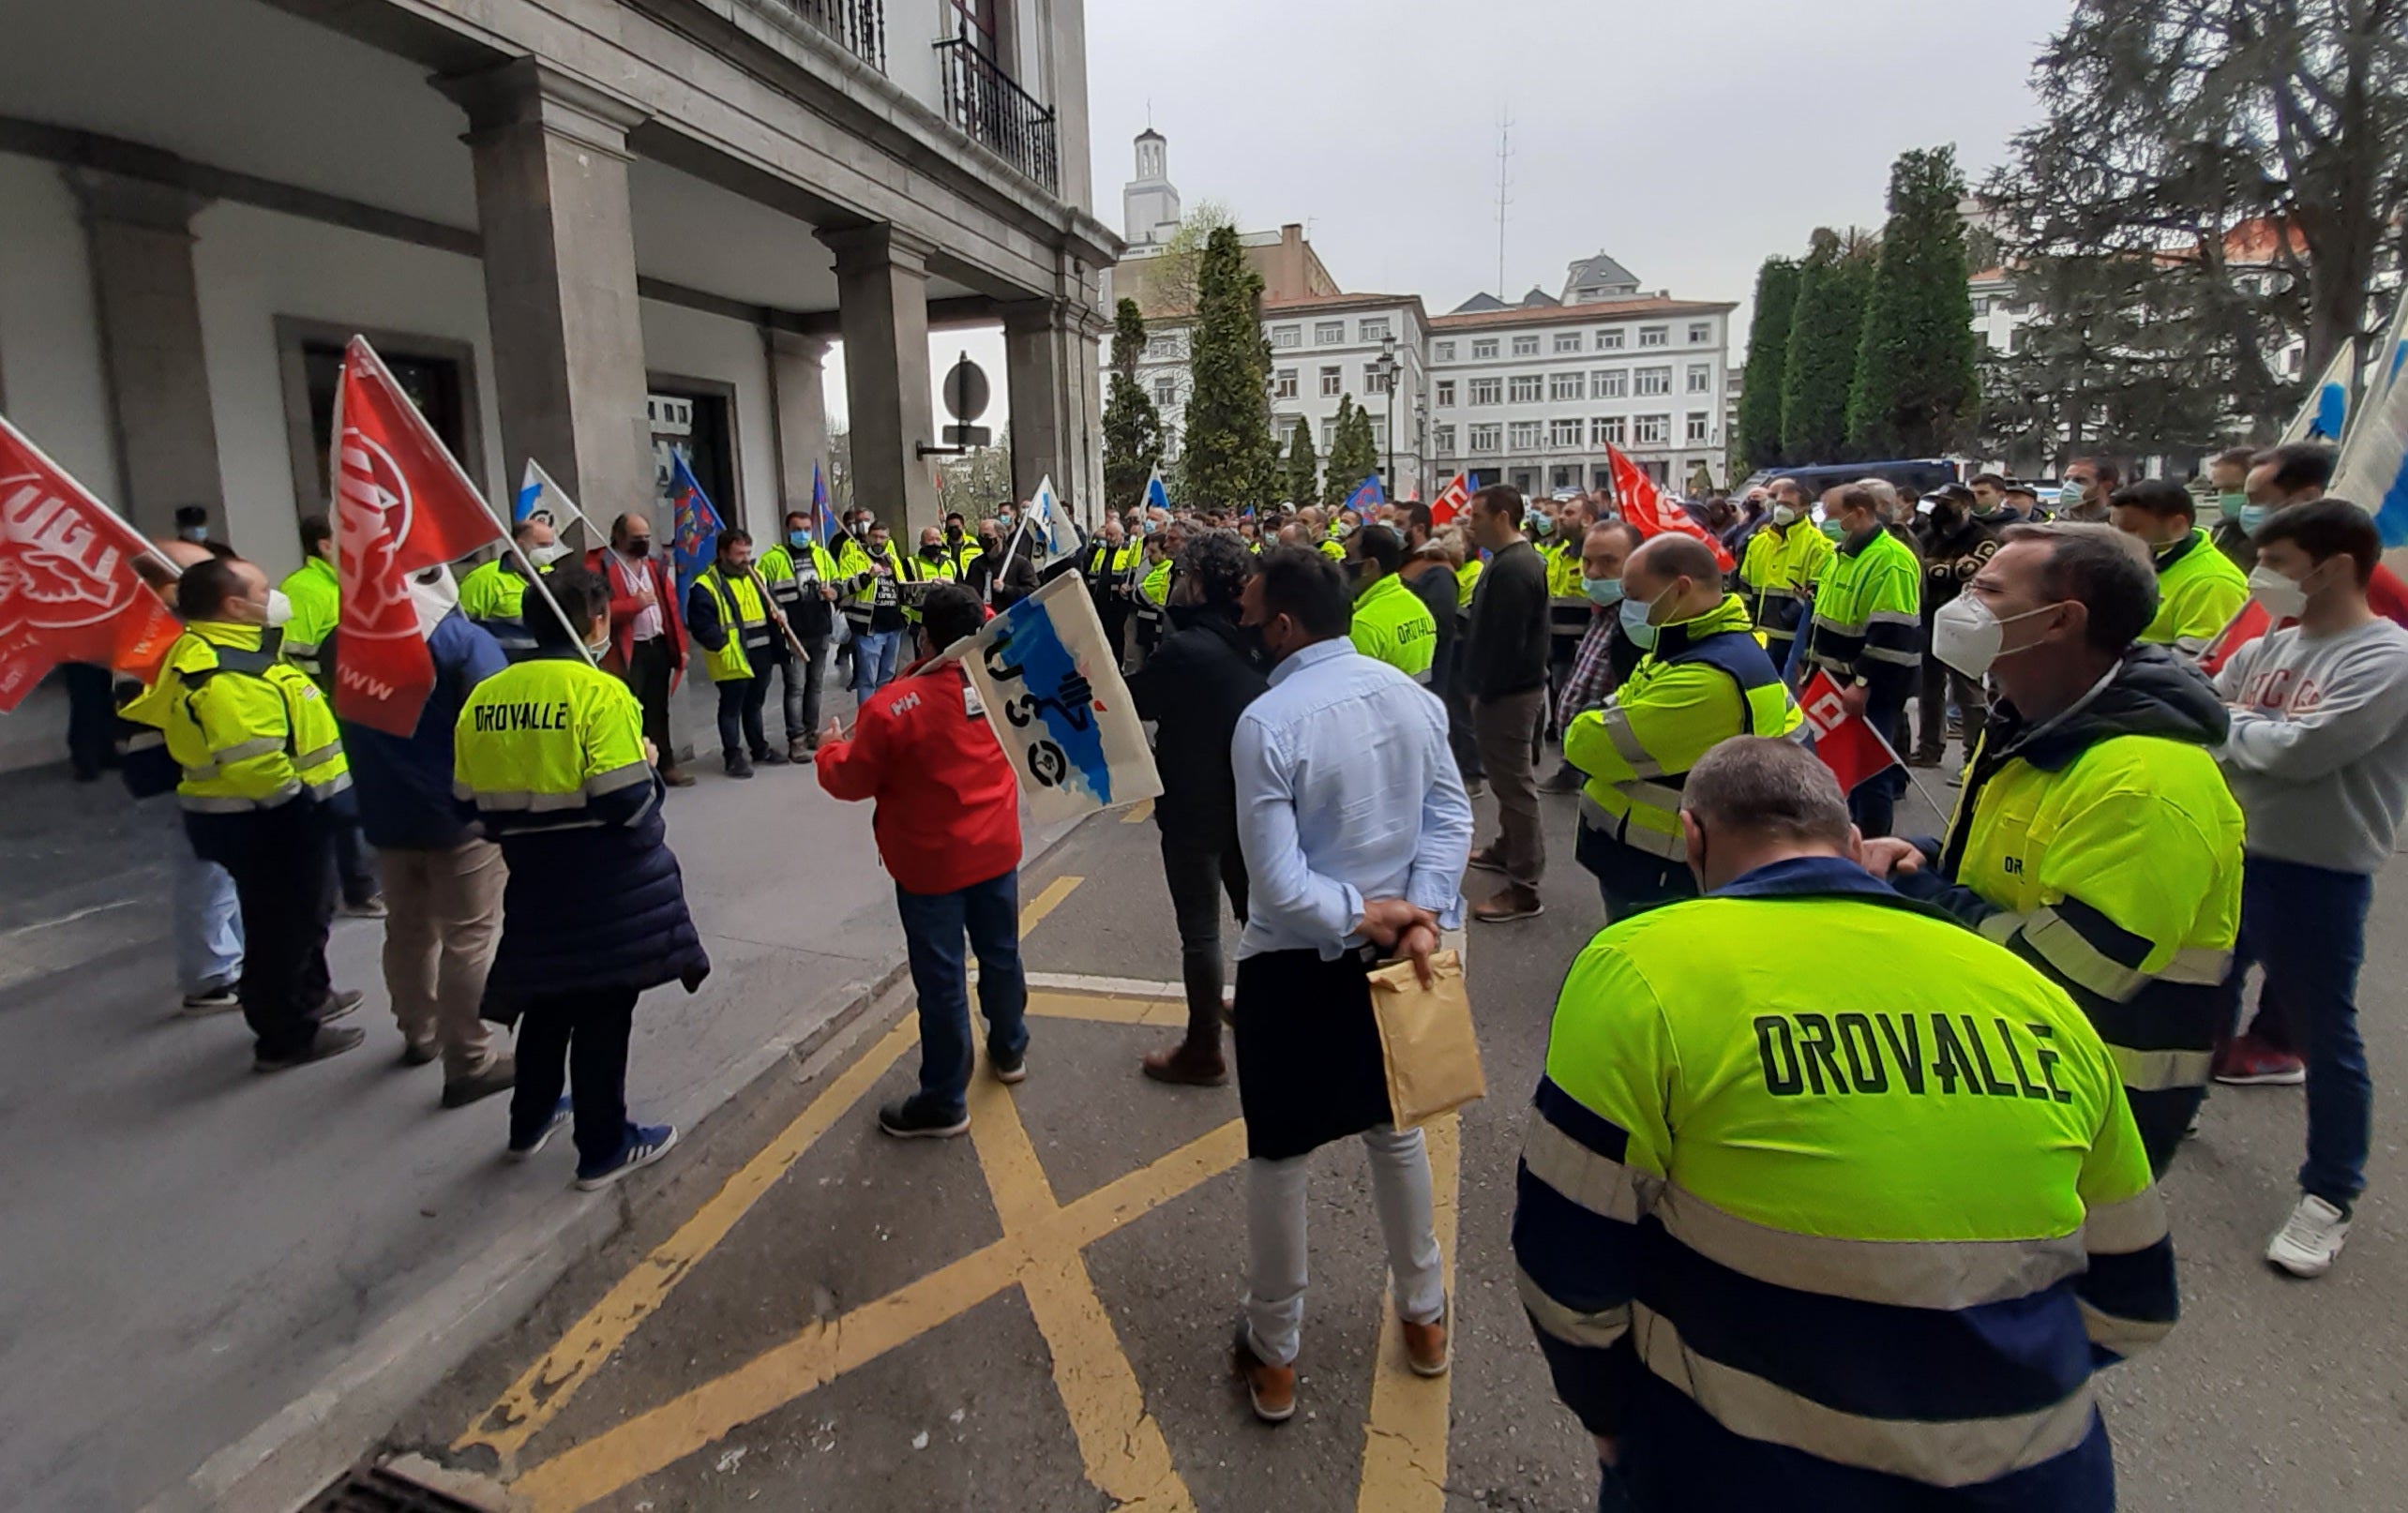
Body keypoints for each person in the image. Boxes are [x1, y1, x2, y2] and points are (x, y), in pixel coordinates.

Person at [1515, 736, 2175, 1513]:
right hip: (2042, 1482)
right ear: (1854, 843)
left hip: (1740, 1475)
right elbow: (2134, 1301)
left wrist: (1616, 1416)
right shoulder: (2030, 994)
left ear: (1693, 838)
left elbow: (1567, 1264)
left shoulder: (1644, 966)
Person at [1866, 524, 2243, 1173]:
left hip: (2091, 1100)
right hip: (2005, 1063)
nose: (1962, 603)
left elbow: (2066, 975)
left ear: (2060, 620)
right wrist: (1926, 854)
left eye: (1985, 589)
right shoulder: (2029, 722)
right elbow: (2003, 869)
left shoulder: (2146, 784)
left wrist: (1915, 890)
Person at [1227, 546, 1468, 1424]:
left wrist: (1372, 916)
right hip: (1398, 952)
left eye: (1252, 614)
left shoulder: (1268, 721)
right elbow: (1451, 814)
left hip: (1296, 965)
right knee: (1394, 1134)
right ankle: (1424, 1315)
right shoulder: (1413, 696)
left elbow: (1280, 887)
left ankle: (1276, 1351)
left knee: (1280, 1158)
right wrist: (1422, 913)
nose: (1247, 627)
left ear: (1285, 624)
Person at [456, 564, 706, 1188]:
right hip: (603, 879)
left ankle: (531, 1118)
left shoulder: (485, 697)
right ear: (597, 622)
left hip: (531, 871)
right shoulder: (601, 694)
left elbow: (466, 802)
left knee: (548, 995)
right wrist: (647, 764)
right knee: (602, 1007)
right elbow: (628, 804)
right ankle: (604, 1145)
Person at [2209, 501, 2408, 1275]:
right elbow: (2205, 708)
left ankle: (2329, 1195)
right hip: (2234, 850)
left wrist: (2232, 725)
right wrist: (2239, 725)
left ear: (2334, 568)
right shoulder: (2274, 643)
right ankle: (2176, 1114)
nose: (2265, 578)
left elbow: (2305, 752)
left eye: (2281, 563)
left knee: (2328, 1036)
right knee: (2207, 993)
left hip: (2319, 872)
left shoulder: (2384, 659)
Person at [128, 556, 364, 1071]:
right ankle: (285, 1037)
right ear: (234, 605)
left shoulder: (230, 651)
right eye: (262, 587)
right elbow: (255, 761)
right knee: (283, 927)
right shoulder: (223, 670)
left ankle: (310, 999)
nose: (272, 594)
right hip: (270, 822)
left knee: (302, 916)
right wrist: (297, 810)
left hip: (267, 819)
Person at [816, 583, 1029, 1137]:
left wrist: (829, 747)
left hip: (931, 866)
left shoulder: (890, 707)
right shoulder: (1005, 679)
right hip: (997, 848)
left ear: (925, 635)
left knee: (941, 980)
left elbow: (850, 779)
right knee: (1001, 954)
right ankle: (1009, 1051)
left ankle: (943, 1098)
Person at [339, 564, 514, 1106]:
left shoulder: (343, 641)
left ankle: (419, 1033)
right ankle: (470, 1060)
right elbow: (498, 718)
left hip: (384, 812)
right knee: (469, 937)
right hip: (460, 812)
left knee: (408, 929)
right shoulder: (462, 641)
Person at [1565, 533, 1803, 920]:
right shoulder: (1695, 642)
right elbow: (1624, 701)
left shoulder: (1708, 679)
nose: (1629, 607)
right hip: (1653, 861)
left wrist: (1591, 715)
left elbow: (1585, 744)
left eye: (1637, 596)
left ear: (1680, 589)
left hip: (1664, 870)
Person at [1127, 533, 1269, 1086]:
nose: (1178, 585)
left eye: (1185, 576)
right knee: (1256, 916)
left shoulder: (1187, 651)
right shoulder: (1262, 638)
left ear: (1202, 584)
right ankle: (1260, 1012)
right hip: (1254, 800)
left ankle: (1203, 1050)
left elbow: (1136, 701)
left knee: (1201, 932)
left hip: (1193, 805)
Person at [119, 537, 245, 1014]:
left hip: (192, 765)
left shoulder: (168, 631)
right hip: (179, 766)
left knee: (218, 872)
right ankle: (210, 975)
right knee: (204, 871)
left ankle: (226, 962)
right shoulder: (154, 636)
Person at [276, 514, 384, 917]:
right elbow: (294, 656)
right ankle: (354, 889)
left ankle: (359, 883)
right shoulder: (304, 590)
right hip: (323, 711)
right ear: (324, 545)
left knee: (352, 798)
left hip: (356, 705)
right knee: (337, 801)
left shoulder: (345, 586)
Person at [1807, 485, 1921, 837]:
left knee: (1870, 774)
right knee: (1841, 771)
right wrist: (1811, 670)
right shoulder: (1841, 554)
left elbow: (1892, 633)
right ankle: (1848, 839)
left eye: (1831, 515)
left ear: (1858, 513)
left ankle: (1873, 846)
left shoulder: (1891, 560)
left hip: (1868, 689)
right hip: (1833, 680)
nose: (1825, 522)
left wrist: (1863, 684)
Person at [1462, 485, 1553, 921]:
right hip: (1507, 690)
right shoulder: (1507, 562)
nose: (1469, 524)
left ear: (1501, 516)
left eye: (1476, 516)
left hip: (1509, 694)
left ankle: (1524, 885)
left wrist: (1485, 690)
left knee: (1515, 786)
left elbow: (1508, 643)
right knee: (1506, 779)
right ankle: (1507, 847)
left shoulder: (1516, 568)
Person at [592, 513, 694, 787]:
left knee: (658, 709)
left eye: (647, 537)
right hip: (625, 652)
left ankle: (666, 764)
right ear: (619, 536)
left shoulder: (653, 565)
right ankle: (634, 769)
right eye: (637, 538)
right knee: (629, 710)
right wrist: (633, 604)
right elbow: (594, 610)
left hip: (657, 645)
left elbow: (670, 607)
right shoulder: (601, 564)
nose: (644, 543)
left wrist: (680, 646)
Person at [1545, 521, 1646, 799]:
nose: (1593, 573)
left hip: (1618, 763)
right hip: (1590, 758)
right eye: (1587, 562)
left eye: (1608, 562)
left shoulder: (1641, 623)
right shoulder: (1604, 612)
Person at [685, 528, 791, 779]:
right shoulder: (705, 585)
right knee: (731, 707)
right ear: (722, 554)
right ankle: (732, 755)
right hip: (731, 656)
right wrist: (721, 644)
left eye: (747, 552)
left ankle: (759, 748)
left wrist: (779, 613)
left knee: (755, 704)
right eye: (738, 554)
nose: (745, 558)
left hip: (761, 651)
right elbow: (701, 625)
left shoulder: (757, 577)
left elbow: (772, 605)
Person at [1909, 483, 2003, 765]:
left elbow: (1967, 571)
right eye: (1937, 501)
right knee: (1929, 688)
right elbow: (1917, 568)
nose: (1939, 508)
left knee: (1967, 691)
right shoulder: (1928, 536)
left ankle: (1975, 756)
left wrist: (1936, 570)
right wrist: (1941, 571)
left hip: (1964, 620)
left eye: (1946, 502)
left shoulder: (1983, 538)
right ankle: (1928, 749)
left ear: (1964, 506)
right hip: (1929, 617)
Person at [2109, 479, 2250, 659]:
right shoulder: (2143, 561)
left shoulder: (2212, 581)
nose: (2118, 538)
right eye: (2114, 528)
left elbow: (2195, 664)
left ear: (2177, 526)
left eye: (2131, 530)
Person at [759, 509, 839, 762]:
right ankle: (796, 739)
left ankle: (812, 731)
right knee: (795, 687)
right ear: (788, 530)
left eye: (806, 529)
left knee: (815, 685)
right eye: (797, 529)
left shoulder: (822, 555)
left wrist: (834, 593)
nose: (802, 534)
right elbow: (761, 590)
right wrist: (775, 610)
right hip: (792, 633)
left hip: (820, 628)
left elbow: (837, 582)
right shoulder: (772, 559)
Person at [1736, 476, 1834, 675]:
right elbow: (1744, 589)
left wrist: (1786, 618)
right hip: (1757, 639)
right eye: (1779, 503)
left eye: (1788, 505)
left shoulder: (1820, 546)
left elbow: (1815, 596)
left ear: (1804, 508)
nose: (1781, 509)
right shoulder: (1758, 543)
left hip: (1794, 643)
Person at [1344, 524, 1437, 682]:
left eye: (1348, 557)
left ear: (1369, 566)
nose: (1341, 564)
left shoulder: (1364, 625)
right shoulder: (1417, 607)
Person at [839, 521, 909, 698]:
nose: (878, 541)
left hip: (893, 626)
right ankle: (868, 722)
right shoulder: (854, 559)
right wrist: (867, 577)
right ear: (868, 537)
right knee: (867, 679)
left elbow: (901, 588)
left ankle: (882, 719)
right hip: (869, 628)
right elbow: (843, 588)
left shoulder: (893, 560)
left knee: (887, 677)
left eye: (882, 537)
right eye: (875, 537)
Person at [1081, 517, 1141, 663]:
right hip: (1100, 601)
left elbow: (1133, 572)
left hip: (1118, 603)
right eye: (1107, 535)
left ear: (1122, 535)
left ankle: (1118, 665)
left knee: (1117, 638)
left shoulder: (1129, 551)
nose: (1109, 538)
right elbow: (1093, 573)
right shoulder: (1101, 551)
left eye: (1112, 535)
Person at [2203, 445, 2260, 568]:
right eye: (2222, 490)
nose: (2226, 497)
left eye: (2234, 489)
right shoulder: (2221, 534)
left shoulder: (2283, 541)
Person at [2059, 457, 2118, 523]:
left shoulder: (2122, 524)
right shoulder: (2051, 521)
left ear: (2107, 486)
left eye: (2079, 480)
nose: (2067, 486)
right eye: (2066, 479)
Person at [940, 511, 979, 578]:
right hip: (947, 584)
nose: (953, 530)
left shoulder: (974, 544)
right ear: (946, 528)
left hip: (968, 584)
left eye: (956, 527)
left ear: (963, 527)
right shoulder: (939, 545)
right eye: (950, 527)